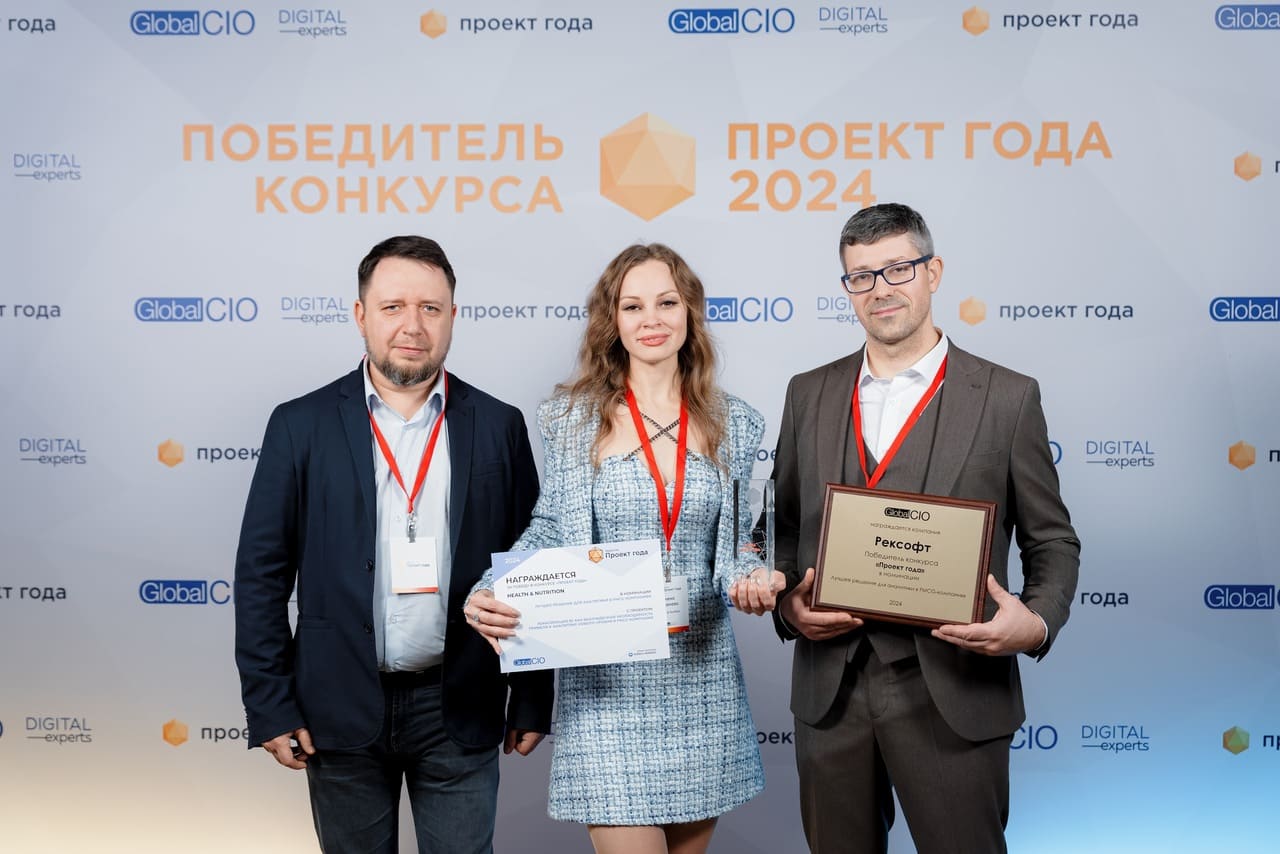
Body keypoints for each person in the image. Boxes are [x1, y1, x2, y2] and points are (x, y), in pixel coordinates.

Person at [768, 203, 1080, 853]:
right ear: (848, 288)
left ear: (933, 273)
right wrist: (788, 606)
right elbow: (784, 528)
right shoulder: (807, 392)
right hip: (830, 691)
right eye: (861, 276)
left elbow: (1051, 540)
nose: (880, 289)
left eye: (898, 269)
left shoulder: (1007, 397)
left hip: (955, 687)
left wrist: (1035, 622)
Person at [233, 235, 553, 854]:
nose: (413, 325)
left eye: (431, 308)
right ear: (361, 315)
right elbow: (260, 578)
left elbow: (530, 566)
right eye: (393, 307)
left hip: (460, 700)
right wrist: (269, 704)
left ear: (453, 316)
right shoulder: (299, 424)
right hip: (337, 702)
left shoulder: (499, 425)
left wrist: (533, 696)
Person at [463, 243, 781, 854]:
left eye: (667, 302)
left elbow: (738, 547)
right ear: (613, 320)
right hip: (605, 684)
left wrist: (754, 578)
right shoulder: (570, 419)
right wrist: (491, 587)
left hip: (702, 682)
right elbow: (551, 527)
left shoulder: (736, 422)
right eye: (633, 306)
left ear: (690, 312)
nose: (651, 319)